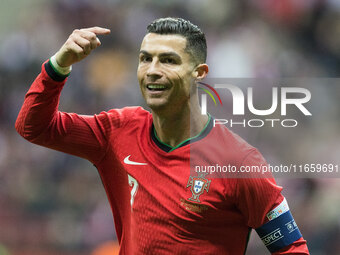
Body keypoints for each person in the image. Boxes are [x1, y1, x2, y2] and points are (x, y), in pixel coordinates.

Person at [16, 17, 309, 254]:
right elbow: (33, 126)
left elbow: (291, 248)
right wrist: (58, 65)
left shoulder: (240, 162)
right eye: (145, 59)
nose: (152, 71)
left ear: (199, 73)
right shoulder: (117, 130)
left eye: (168, 60)